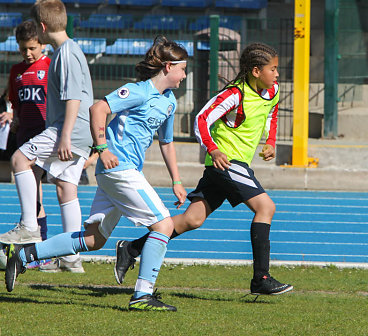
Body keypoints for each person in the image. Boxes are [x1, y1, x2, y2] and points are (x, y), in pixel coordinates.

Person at [5, 35, 188, 312]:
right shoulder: (138, 91)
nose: (185, 75)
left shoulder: (169, 101)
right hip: (119, 170)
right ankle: (142, 295)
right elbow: (98, 108)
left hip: (122, 172)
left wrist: (176, 180)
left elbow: (166, 142)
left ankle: (24, 254)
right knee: (164, 225)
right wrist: (102, 149)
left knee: (93, 239)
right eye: (183, 68)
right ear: (167, 67)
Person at [114, 42, 293, 296]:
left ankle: (131, 248)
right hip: (226, 163)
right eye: (273, 69)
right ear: (256, 71)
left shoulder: (272, 90)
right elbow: (201, 118)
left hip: (229, 166)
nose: (277, 74)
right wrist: (213, 149)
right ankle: (261, 278)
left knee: (192, 220)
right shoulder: (235, 94)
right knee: (266, 207)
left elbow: (272, 114)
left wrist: (271, 141)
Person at [2, 0, 94, 273]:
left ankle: (29, 227)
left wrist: (64, 136)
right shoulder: (66, 52)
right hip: (78, 132)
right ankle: (71, 257)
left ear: (42, 28)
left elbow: (74, 97)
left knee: (20, 160)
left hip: (69, 130)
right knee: (67, 189)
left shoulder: (66, 53)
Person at [0, 20, 51, 247]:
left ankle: (39, 241)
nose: (28, 53)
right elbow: (14, 100)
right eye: (23, 49)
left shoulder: (50, 66)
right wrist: (14, 116)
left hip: (45, 134)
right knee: (32, 188)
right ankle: (36, 243)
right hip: (25, 135)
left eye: (32, 48)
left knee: (37, 187)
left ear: (42, 44)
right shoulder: (16, 71)